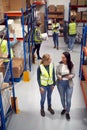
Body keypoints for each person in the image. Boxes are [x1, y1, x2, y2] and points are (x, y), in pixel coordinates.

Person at [56, 51, 75, 120]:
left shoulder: (71, 65)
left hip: (69, 84)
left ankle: (67, 112)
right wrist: (59, 76)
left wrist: (70, 76)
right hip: (60, 84)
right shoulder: (59, 65)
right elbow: (57, 73)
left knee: (68, 100)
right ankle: (64, 108)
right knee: (62, 98)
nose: (62, 58)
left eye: (64, 57)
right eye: (62, 57)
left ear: (67, 58)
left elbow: (73, 74)